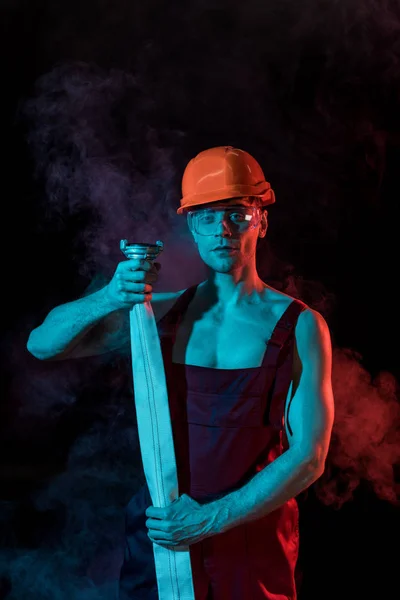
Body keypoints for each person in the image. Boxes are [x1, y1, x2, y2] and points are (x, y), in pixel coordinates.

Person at [27, 146, 335, 599]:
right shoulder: (161, 316)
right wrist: (112, 296)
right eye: (207, 216)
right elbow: (42, 344)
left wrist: (211, 517)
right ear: (191, 225)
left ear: (262, 220)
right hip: (163, 541)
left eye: (237, 214)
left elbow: (309, 456)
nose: (223, 229)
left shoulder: (301, 326)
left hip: (251, 551)